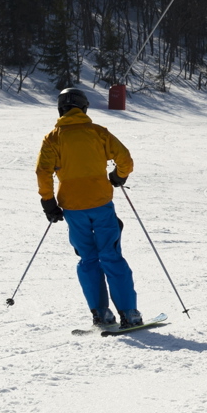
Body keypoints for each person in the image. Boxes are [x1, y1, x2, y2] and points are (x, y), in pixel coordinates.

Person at [35, 87, 142, 329]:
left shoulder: (53, 138)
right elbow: (124, 158)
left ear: (60, 109)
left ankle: (101, 314)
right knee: (111, 255)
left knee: (88, 258)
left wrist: (48, 201)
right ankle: (129, 313)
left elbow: (43, 172)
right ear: (84, 108)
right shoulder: (98, 133)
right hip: (101, 203)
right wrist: (118, 176)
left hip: (72, 207)